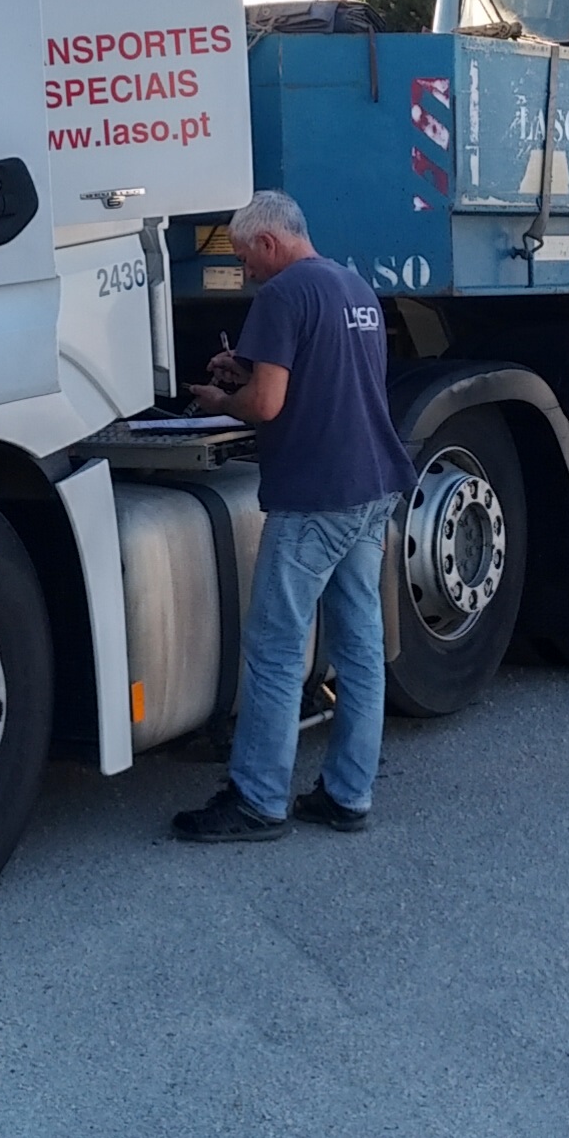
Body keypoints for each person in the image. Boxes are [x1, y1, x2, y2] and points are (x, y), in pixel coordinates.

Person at [169, 190, 412, 843]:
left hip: (316, 496)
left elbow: (269, 406)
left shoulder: (281, 296)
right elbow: (330, 376)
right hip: (373, 486)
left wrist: (226, 395)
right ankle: (347, 794)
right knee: (359, 648)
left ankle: (257, 800)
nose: (246, 271)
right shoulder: (354, 288)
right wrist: (246, 368)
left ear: (269, 243)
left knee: (276, 646)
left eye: (247, 257)